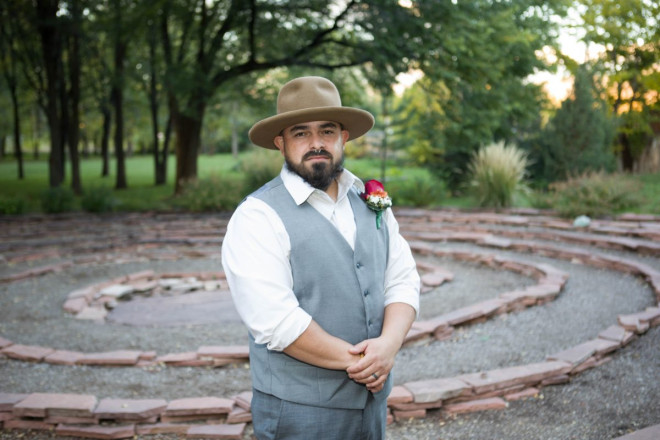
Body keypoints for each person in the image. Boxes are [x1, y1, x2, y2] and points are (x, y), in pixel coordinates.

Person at [221, 76, 420, 440]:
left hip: (373, 407)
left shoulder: (369, 198)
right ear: (281, 143)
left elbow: (402, 279)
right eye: (300, 133)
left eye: (326, 131)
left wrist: (389, 344)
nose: (316, 144)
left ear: (343, 136)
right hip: (300, 414)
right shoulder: (257, 216)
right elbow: (275, 320)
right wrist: (363, 363)